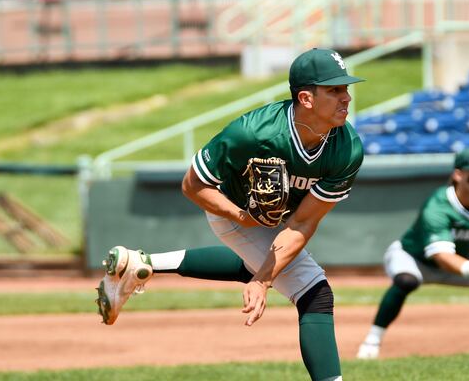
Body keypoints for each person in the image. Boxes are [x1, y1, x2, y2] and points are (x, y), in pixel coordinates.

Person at [95, 48, 365, 381]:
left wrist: (263, 278)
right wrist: (241, 217)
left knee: (260, 266)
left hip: (279, 221)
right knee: (314, 292)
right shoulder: (252, 133)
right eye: (335, 90)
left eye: (345, 88)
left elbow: (303, 222)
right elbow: (192, 185)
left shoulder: (347, 148)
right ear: (306, 98)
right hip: (232, 211)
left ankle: (142, 264)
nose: (346, 97)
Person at [356, 147, 469, 360]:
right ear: (458, 174)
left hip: (459, 258)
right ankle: (371, 342)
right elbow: (441, 255)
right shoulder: (438, 206)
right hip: (414, 258)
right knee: (406, 281)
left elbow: (465, 236)